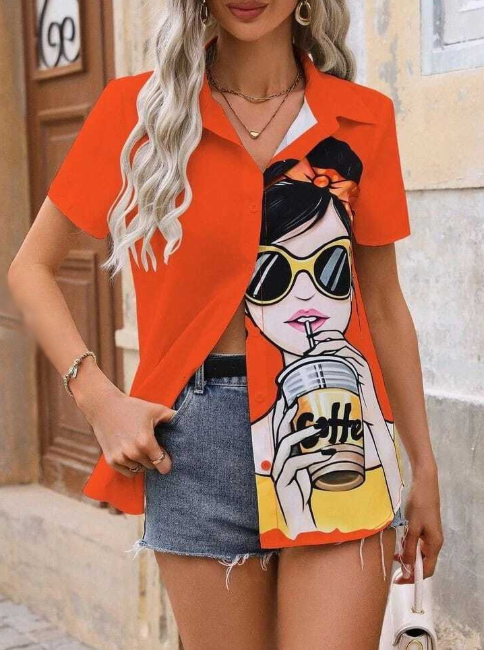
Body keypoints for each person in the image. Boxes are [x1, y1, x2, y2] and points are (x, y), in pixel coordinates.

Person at [8, 1, 443, 649]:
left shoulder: (361, 117)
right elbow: (30, 269)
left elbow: (382, 304)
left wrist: (425, 467)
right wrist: (99, 400)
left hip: (338, 425)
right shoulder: (140, 112)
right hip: (193, 441)